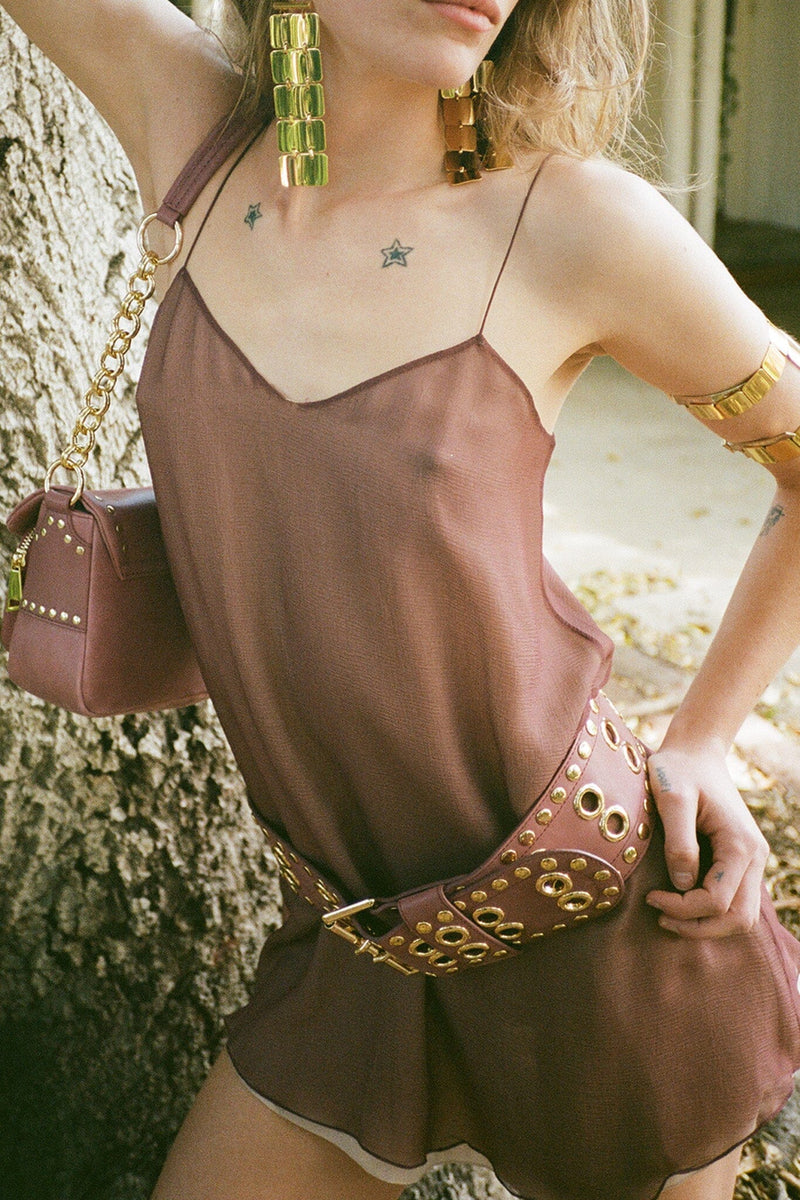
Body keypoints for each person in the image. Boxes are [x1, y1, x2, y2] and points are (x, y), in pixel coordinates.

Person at [4, 1, 800, 1198]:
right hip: (351, 952)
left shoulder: (573, 223)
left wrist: (702, 740)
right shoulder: (193, 129)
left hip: (598, 932)